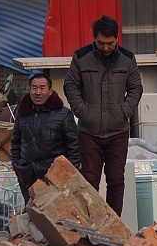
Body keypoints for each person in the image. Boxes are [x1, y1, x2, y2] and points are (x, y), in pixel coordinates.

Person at [63, 15, 142, 216]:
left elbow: (135, 88)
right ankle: (92, 222)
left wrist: (124, 111)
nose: (105, 47)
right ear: (94, 38)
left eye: (110, 43)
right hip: (89, 131)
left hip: (118, 131)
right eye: (100, 43)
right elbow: (70, 85)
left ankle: (113, 223)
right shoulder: (80, 57)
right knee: (89, 181)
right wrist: (82, 111)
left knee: (116, 180)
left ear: (117, 38)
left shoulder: (128, 59)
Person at [10, 72, 80, 202]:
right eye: (34, 88)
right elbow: (16, 142)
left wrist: (69, 174)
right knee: (31, 214)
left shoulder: (63, 114)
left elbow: (74, 146)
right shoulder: (22, 113)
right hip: (27, 174)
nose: (38, 92)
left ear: (50, 91)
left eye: (42, 88)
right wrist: (17, 166)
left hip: (53, 176)